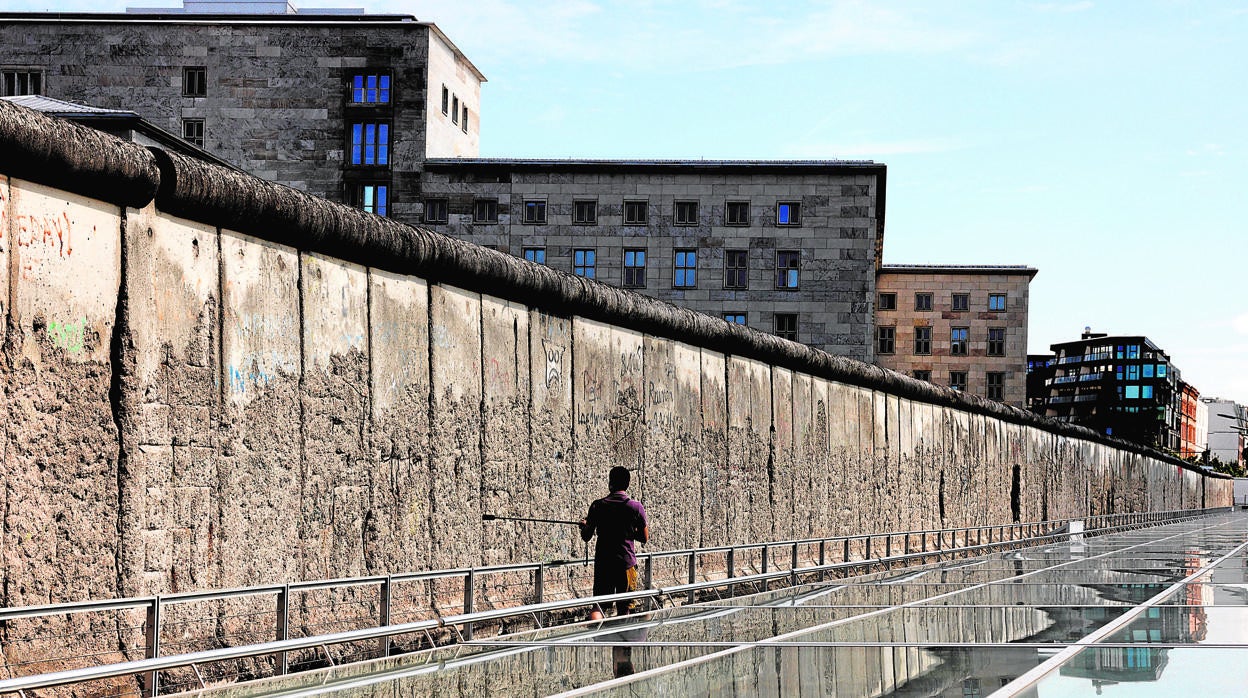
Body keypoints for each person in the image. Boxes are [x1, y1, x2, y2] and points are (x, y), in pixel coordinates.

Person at [580, 466, 649, 620]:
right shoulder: (636, 507)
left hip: (604, 563)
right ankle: (621, 640)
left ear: (610, 483)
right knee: (624, 608)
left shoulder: (597, 506)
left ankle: (595, 639)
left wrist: (585, 526)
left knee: (599, 606)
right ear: (627, 484)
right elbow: (644, 537)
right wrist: (629, 531)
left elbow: (586, 536)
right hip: (626, 563)